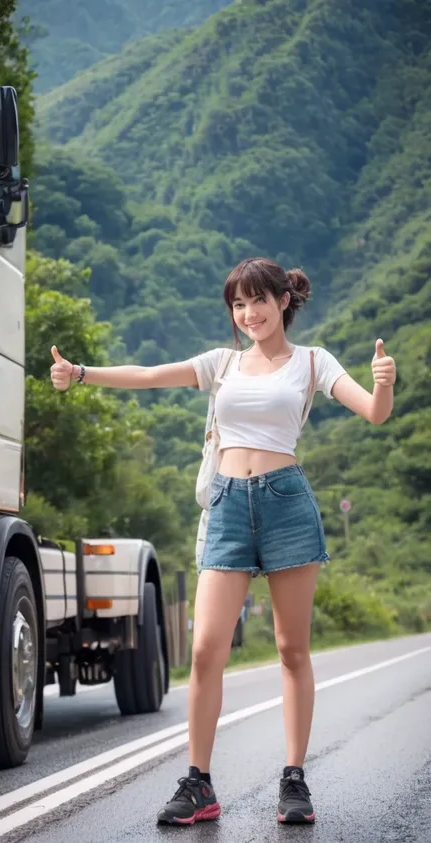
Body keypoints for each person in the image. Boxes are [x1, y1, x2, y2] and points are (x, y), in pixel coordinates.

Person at [50, 257, 396, 826]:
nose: (249, 313)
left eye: (258, 300)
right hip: (229, 505)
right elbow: (149, 373)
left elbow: (374, 414)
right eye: (238, 304)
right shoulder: (222, 364)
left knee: (291, 649)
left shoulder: (313, 362)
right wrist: (84, 373)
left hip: (287, 504)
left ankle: (293, 780)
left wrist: (382, 382)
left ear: (284, 301)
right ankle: (199, 783)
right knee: (207, 649)